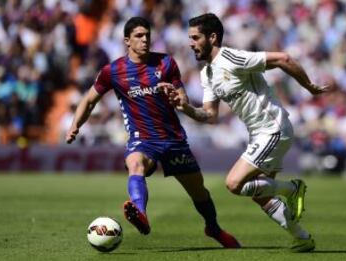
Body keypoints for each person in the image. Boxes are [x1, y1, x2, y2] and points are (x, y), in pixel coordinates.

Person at [159, 13, 332, 252]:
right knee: (260, 193)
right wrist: (185, 107)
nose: (190, 43)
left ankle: (292, 189)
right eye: (189, 38)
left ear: (212, 37)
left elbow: (284, 58)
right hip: (260, 134)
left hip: (273, 129)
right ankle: (302, 237)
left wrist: (309, 87)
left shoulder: (232, 57)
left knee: (234, 183)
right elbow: (210, 115)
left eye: (195, 37)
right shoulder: (207, 73)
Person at [66, 16, 240, 248]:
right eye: (139, 36)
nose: (145, 40)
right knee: (135, 163)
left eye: (147, 35)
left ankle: (214, 228)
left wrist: (176, 97)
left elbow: (183, 99)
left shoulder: (166, 63)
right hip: (143, 138)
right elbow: (88, 101)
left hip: (173, 139)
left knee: (198, 191)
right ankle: (140, 212)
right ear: (127, 40)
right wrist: (75, 126)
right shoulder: (113, 70)